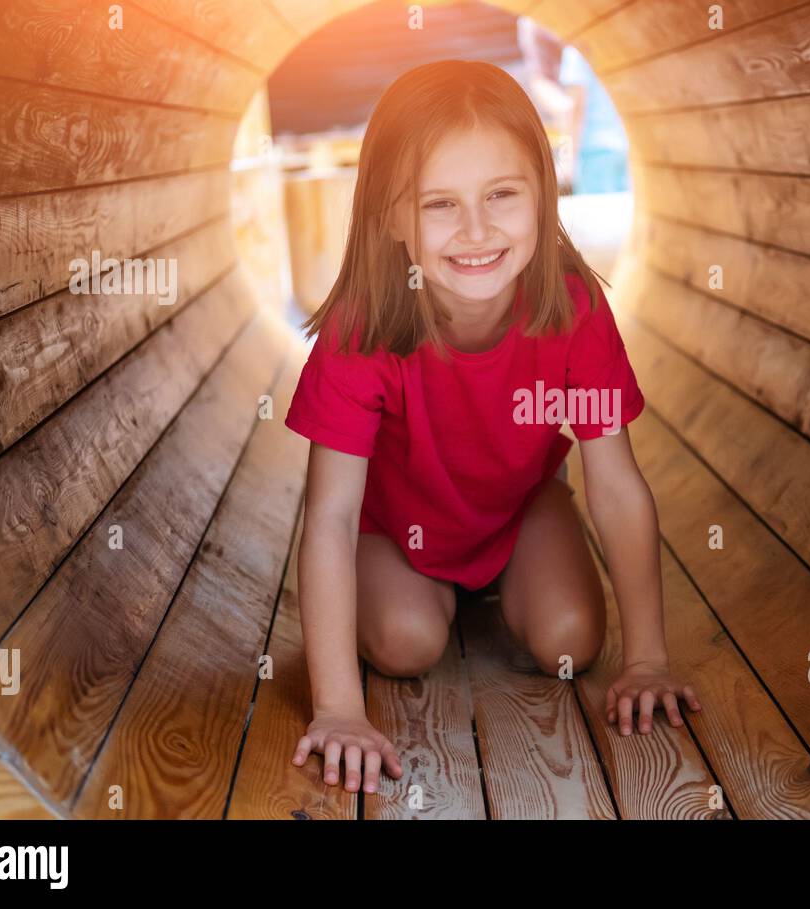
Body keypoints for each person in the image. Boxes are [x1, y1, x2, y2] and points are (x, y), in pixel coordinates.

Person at [283, 60, 702, 794]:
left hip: (517, 509)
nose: (476, 230)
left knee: (572, 640)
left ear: (545, 192)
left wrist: (648, 659)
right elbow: (330, 517)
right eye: (439, 204)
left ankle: (516, 568)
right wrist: (339, 706)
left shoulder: (574, 312)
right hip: (396, 529)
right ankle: (436, 597)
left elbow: (616, 483)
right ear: (389, 216)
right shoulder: (363, 332)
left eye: (502, 195)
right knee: (408, 642)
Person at [557, 43, 630, 194]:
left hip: (594, 151)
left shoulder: (575, 52)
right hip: (622, 146)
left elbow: (575, 108)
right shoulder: (613, 49)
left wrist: (567, 157)